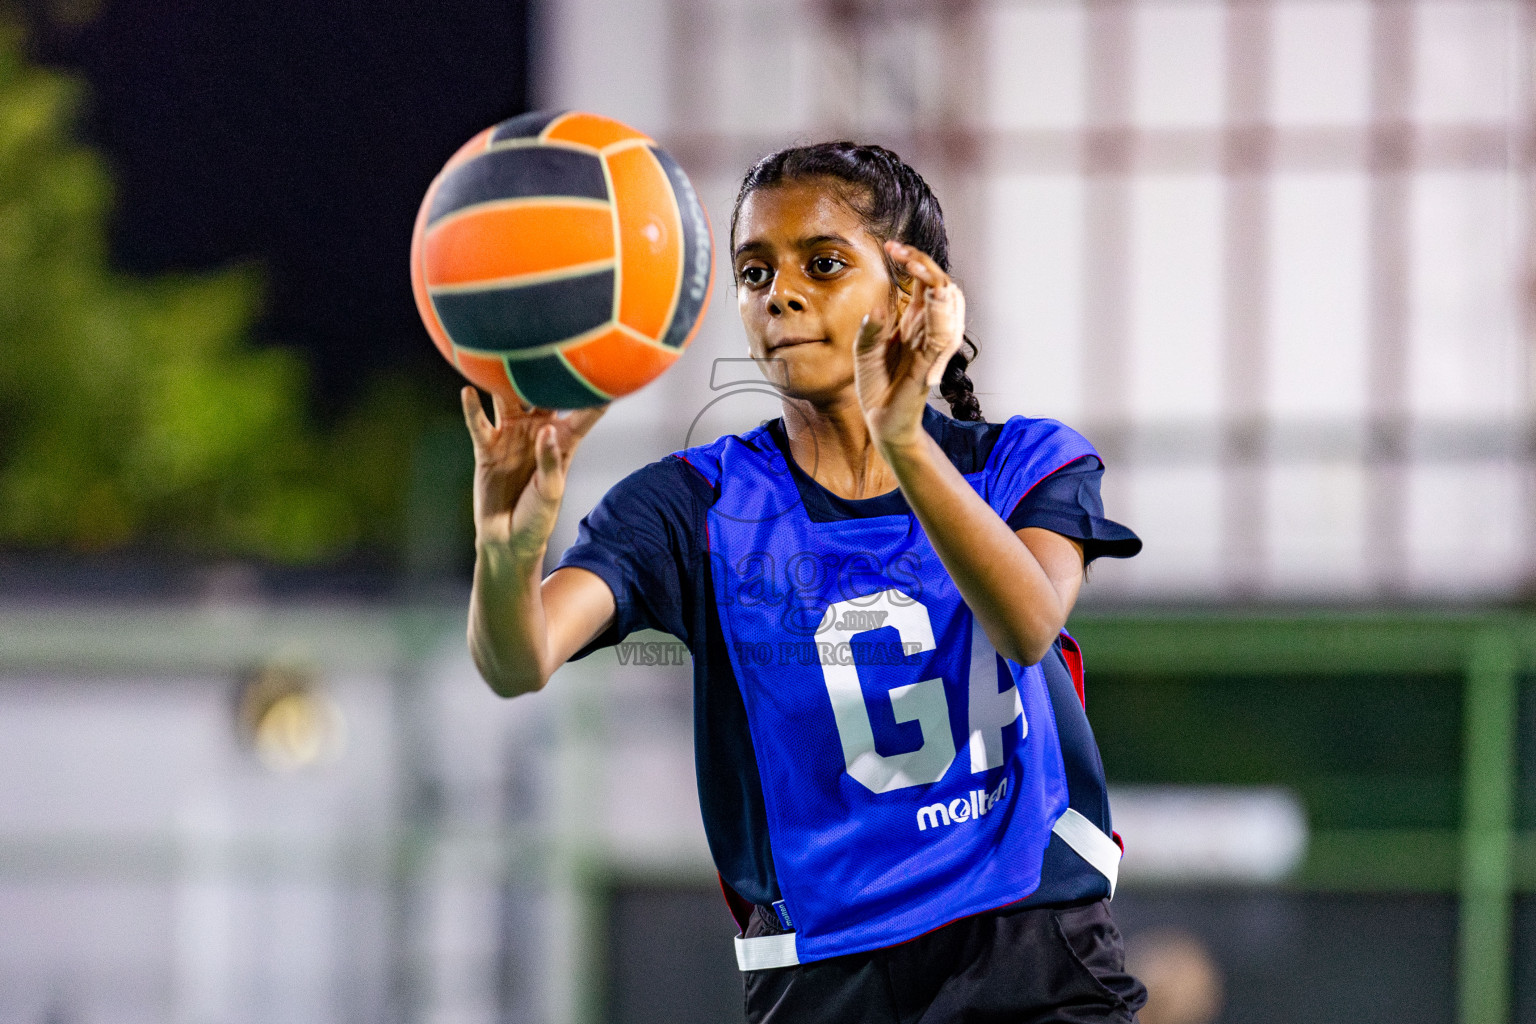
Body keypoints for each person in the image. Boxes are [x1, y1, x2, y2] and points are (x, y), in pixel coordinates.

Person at [462, 141, 1148, 1023]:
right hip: (823, 973)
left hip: (1026, 943)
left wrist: (902, 435)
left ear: (912, 293)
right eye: (754, 272)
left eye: (823, 264)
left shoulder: (1022, 461)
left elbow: (1026, 623)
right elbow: (517, 661)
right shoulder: (694, 504)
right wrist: (506, 548)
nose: (779, 293)